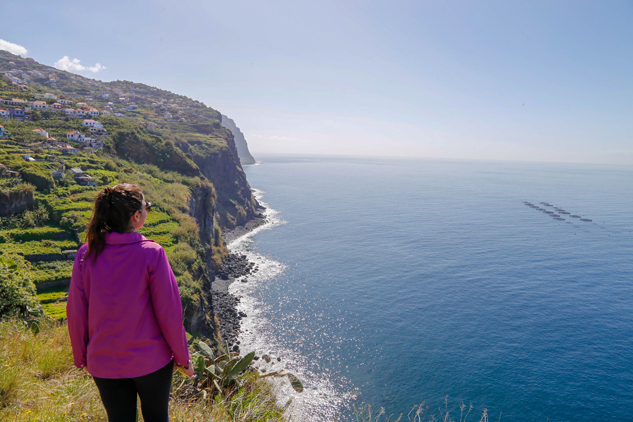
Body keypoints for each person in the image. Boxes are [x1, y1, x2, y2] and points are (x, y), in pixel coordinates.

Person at [67, 183, 194, 422]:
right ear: (137, 216)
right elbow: (169, 314)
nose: (147, 211)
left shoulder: (86, 253)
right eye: (147, 207)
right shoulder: (152, 253)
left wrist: (80, 356)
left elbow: (76, 310)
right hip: (151, 361)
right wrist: (182, 358)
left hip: (103, 360)